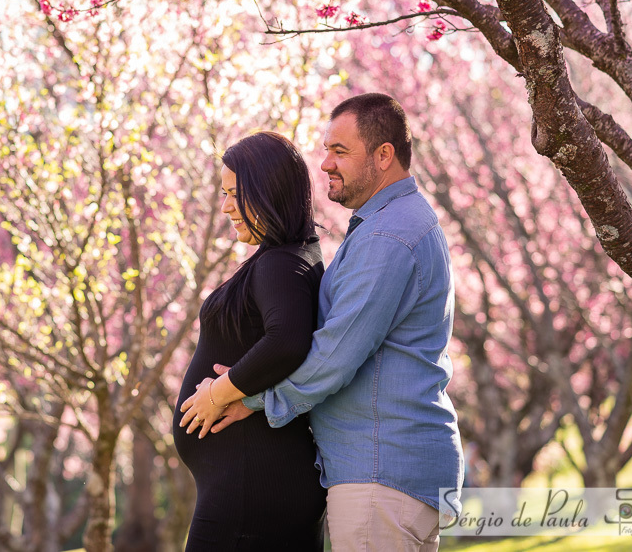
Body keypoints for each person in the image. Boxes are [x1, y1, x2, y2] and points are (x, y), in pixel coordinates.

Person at [181, 94, 463, 552]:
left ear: (384, 155)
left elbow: (334, 355)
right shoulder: (389, 225)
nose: (325, 163)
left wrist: (243, 397)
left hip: (380, 471)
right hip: (385, 471)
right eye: (326, 149)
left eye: (340, 151)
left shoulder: (389, 236)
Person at [171, 131, 327, 551]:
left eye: (236, 193)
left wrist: (217, 394)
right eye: (224, 193)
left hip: (250, 492)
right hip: (251, 486)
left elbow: (287, 341)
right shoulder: (287, 256)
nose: (226, 207)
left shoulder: (280, 263)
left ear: (269, 189)